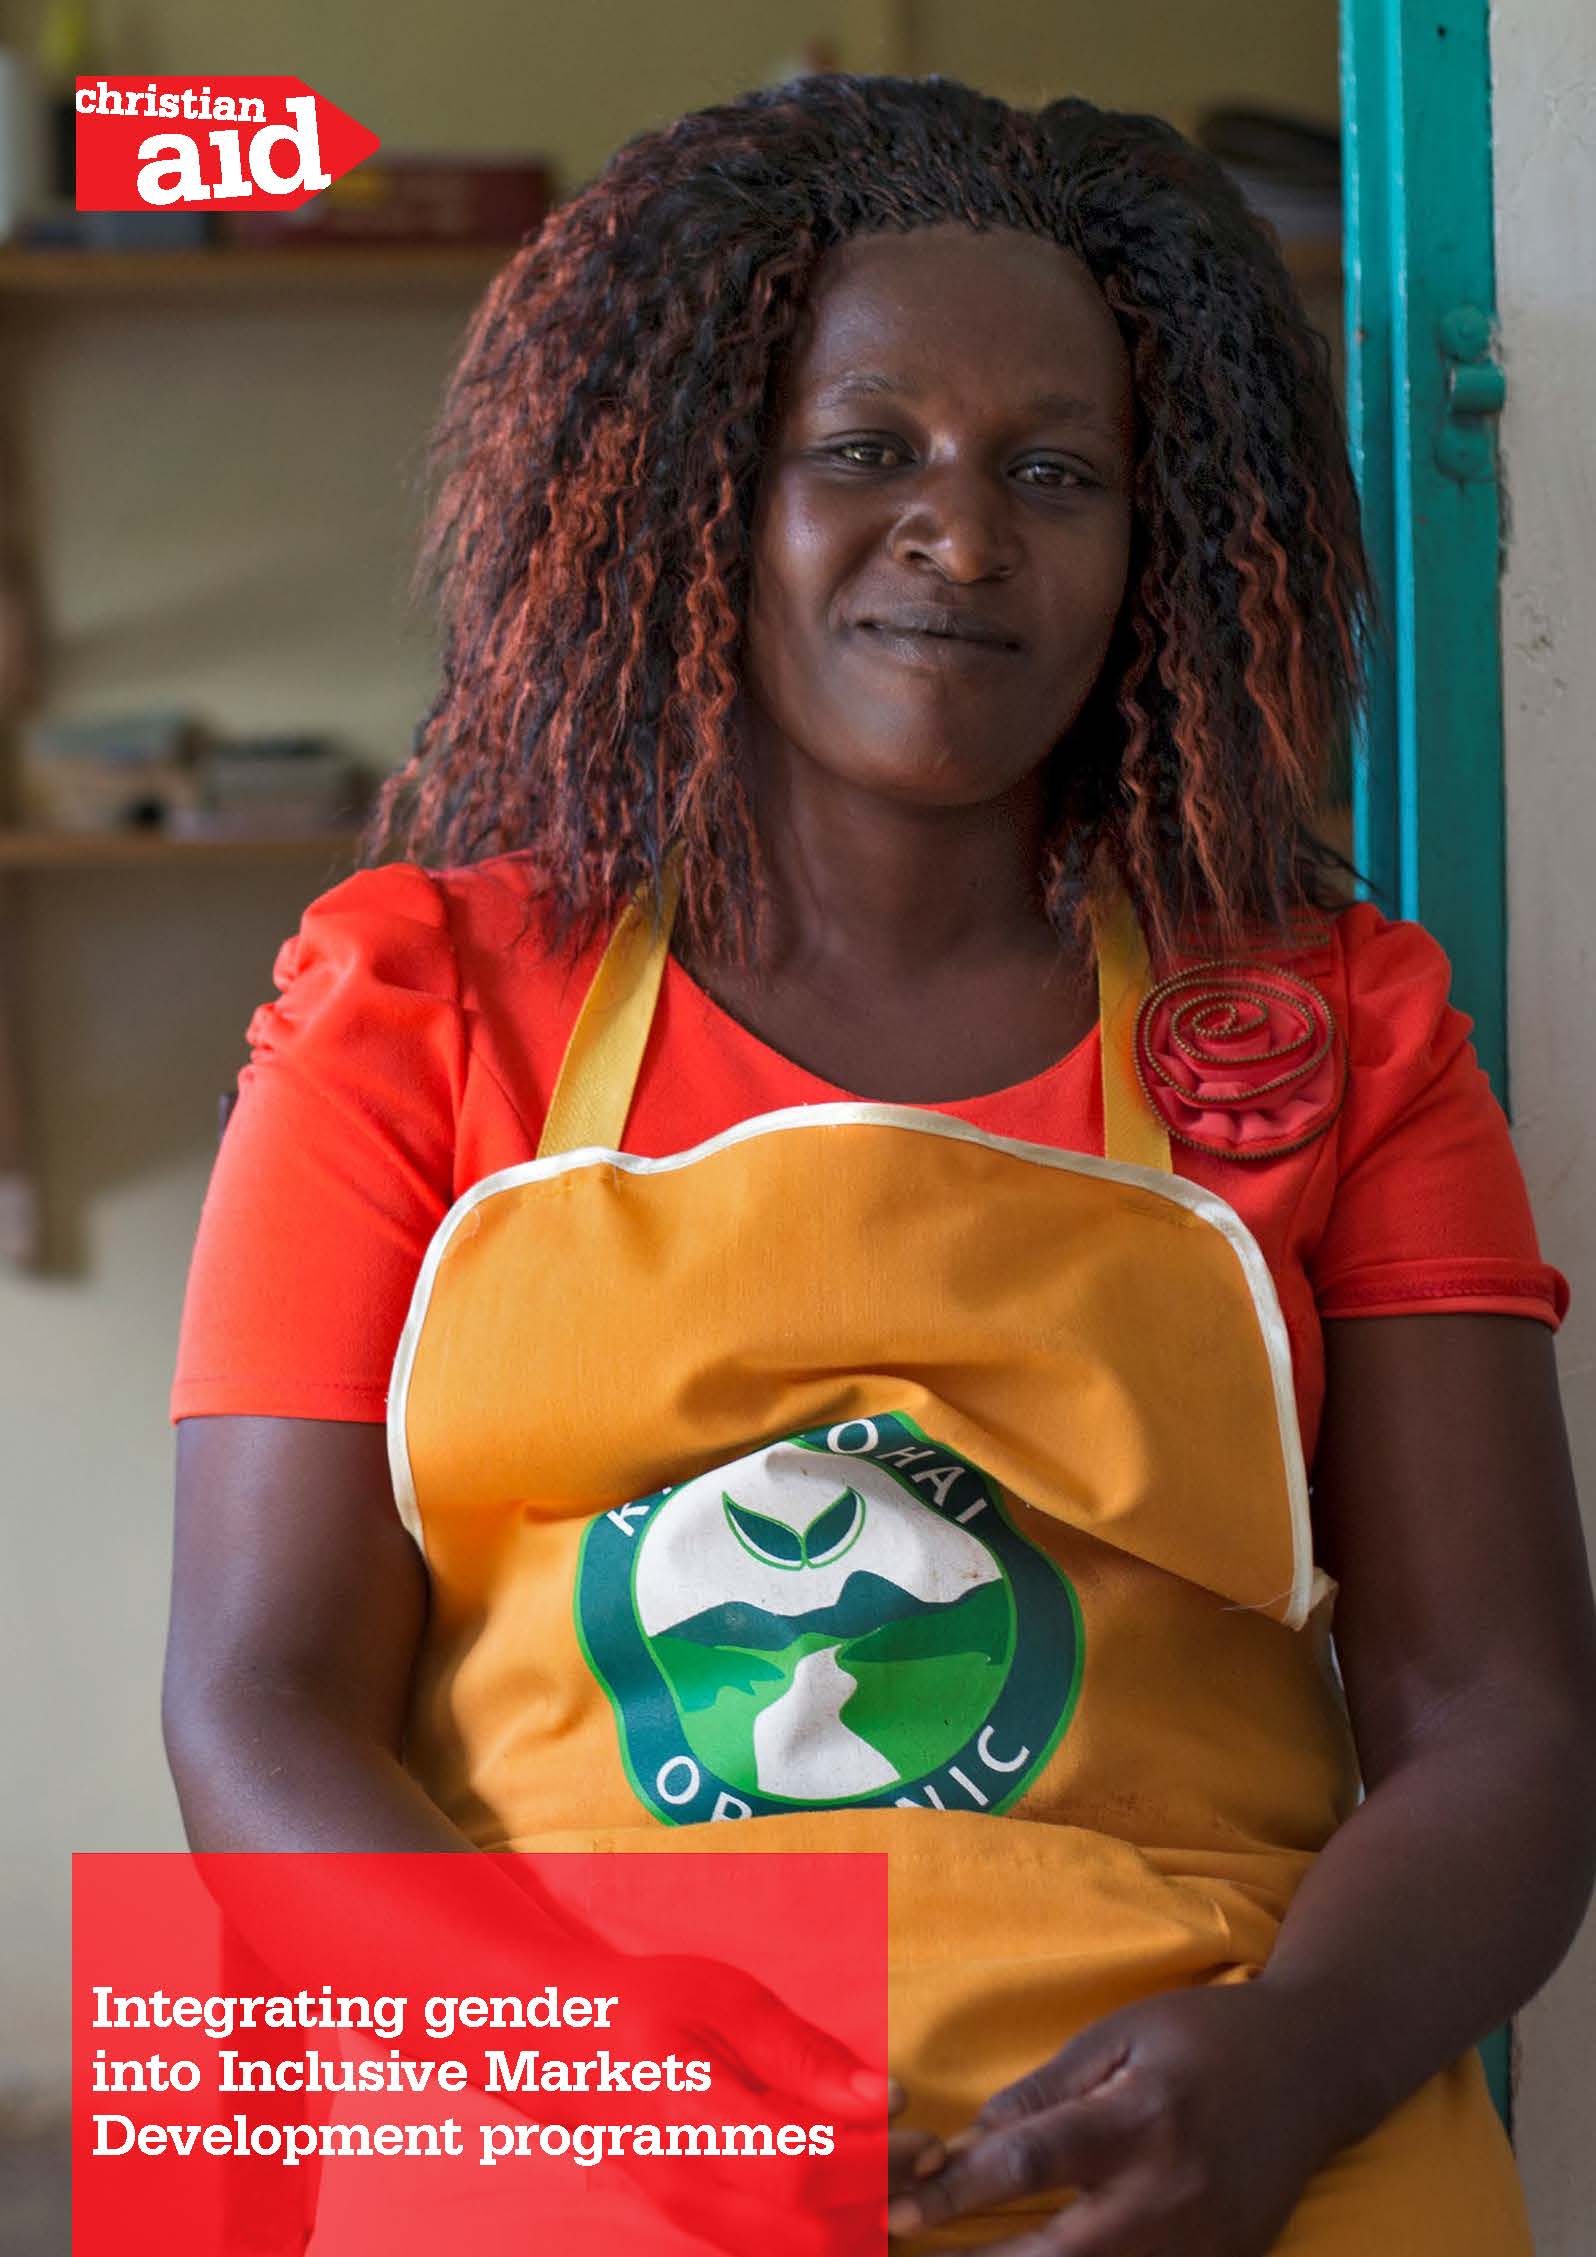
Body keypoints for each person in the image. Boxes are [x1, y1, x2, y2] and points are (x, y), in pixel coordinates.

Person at [165, 72, 1596, 2255]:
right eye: (865, 451)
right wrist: (585, 2069)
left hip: (1213, 2106)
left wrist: (1297, 2061)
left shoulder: (1339, 1025)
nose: (963, 532)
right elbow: (255, 1704)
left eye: (1059, 471)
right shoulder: (414, 1004)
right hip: (563, 2081)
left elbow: (1501, 1711)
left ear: (1159, 538)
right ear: (693, 496)